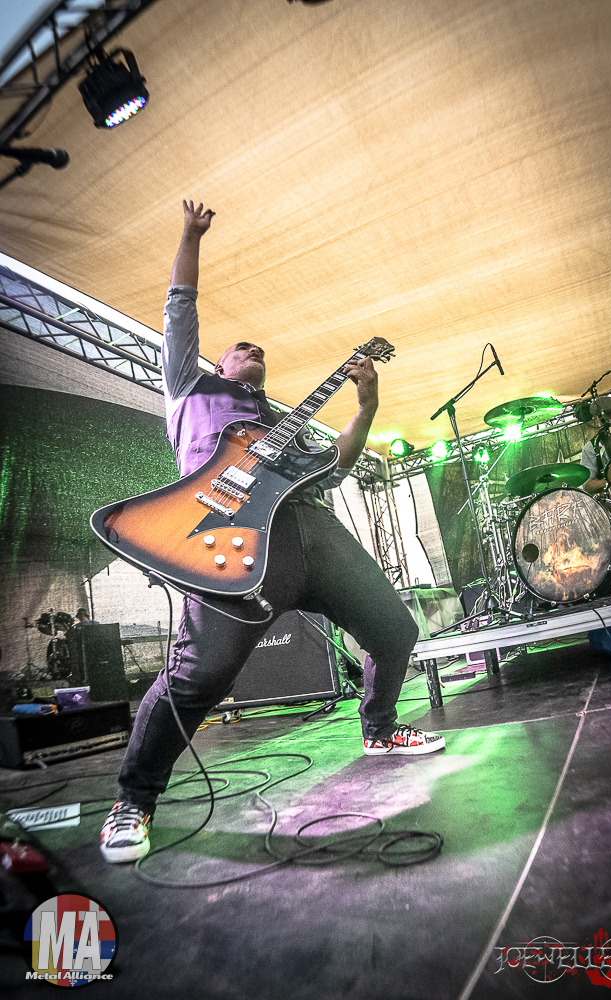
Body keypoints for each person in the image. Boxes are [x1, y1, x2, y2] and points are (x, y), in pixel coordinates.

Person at [100, 201, 446, 863]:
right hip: (226, 538)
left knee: (395, 630)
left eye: (260, 350)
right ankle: (134, 800)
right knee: (198, 678)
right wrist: (190, 236)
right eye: (240, 348)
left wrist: (367, 406)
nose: (253, 350)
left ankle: (379, 729)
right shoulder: (191, 389)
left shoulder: (284, 421)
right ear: (217, 364)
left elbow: (337, 466)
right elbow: (179, 310)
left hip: (311, 531)